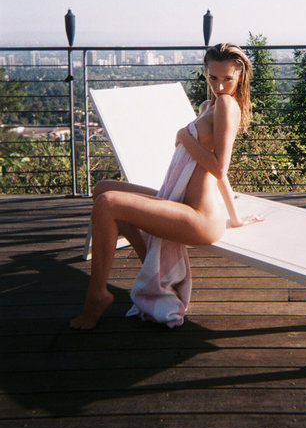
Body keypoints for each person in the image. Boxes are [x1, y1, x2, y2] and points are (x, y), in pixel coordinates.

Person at [70, 42, 253, 330]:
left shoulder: (227, 106)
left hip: (199, 218)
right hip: (180, 204)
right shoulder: (210, 106)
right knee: (103, 189)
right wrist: (236, 217)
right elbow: (221, 177)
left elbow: (220, 167)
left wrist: (184, 137)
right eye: (213, 77)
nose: (219, 86)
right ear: (206, 73)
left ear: (240, 76)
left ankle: (97, 295)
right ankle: (153, 269)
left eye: (227, 79)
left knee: (108, 204)